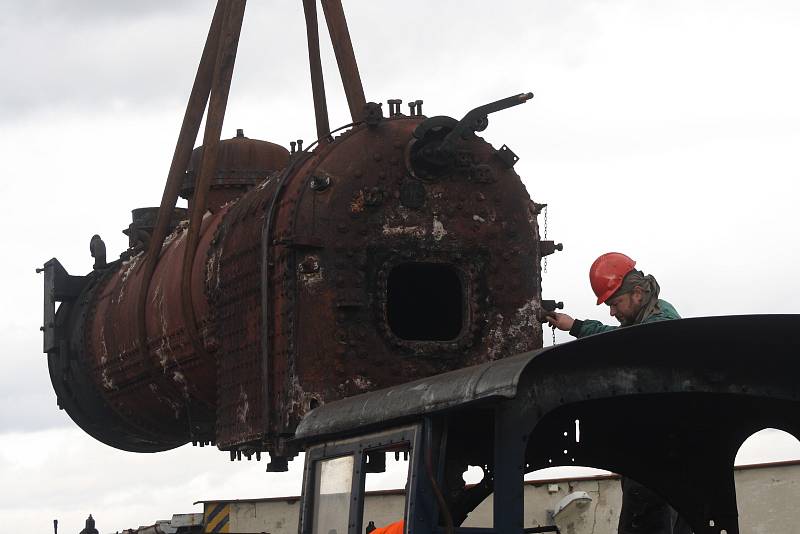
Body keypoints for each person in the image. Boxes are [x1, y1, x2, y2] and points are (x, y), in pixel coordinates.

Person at [547, 252, 690, 534]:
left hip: (657, 459)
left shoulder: (660, 327)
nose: (612, 312)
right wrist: (574, 326)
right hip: (661, 457)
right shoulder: (648, 322)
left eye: (615, 303)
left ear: (637, 293)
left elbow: (619, 343)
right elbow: (616, 336)